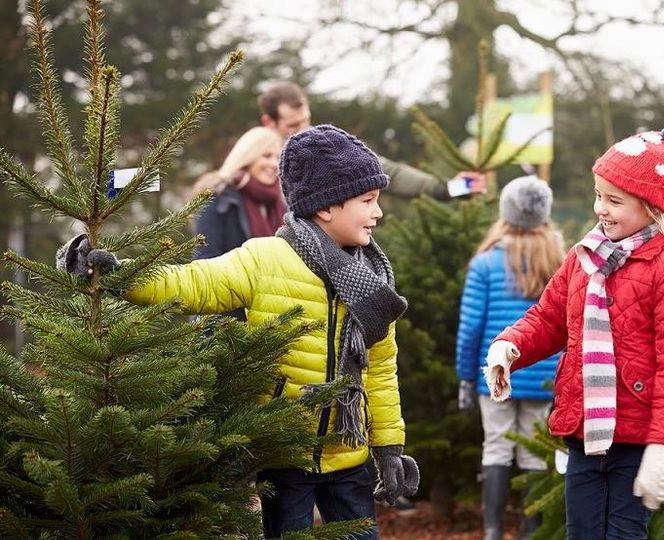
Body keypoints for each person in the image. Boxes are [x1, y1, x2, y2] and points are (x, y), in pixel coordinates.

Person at [58, 125, 420, 539]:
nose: (378, 213)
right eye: (368, 201)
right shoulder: (266, 258)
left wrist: (389, 449)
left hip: (349, 455)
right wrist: (122, 275)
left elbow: (379, 371)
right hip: (284, 457)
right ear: (326, 207)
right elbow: (192, 283)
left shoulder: (374, 281)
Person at [485, 126, 664, 539]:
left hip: (635, 438)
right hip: (583, 433)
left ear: (651, 207)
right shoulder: (582, 259)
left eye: (614, 200)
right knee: (583, 532)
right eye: (598, 195)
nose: (601, 209)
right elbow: (549, 317)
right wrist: (511, 344)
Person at [456, 175, 565, 540]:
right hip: (543, 374)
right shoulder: (558, 260)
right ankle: (531, 532)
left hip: (496, 371)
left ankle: (492, 532)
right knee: (534, 454)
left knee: (497, 447)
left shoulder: (486, 263)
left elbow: (471, 327)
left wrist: (467, 377)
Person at [258, 81, 486, 200]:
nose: (303, 131)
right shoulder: (255, 162)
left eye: (306, 121)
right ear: (269, 122)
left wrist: (451, 188)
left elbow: (389, 173)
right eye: (293, 127)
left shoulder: (327, 151)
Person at [190, 126, 285, 320]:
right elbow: (205, 262)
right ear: (248, 156)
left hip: (268, 322)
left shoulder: (281, 206)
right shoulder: (219, 198)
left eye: (278, 158)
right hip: (221, 322)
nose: (274, 164)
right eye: (266, 156)